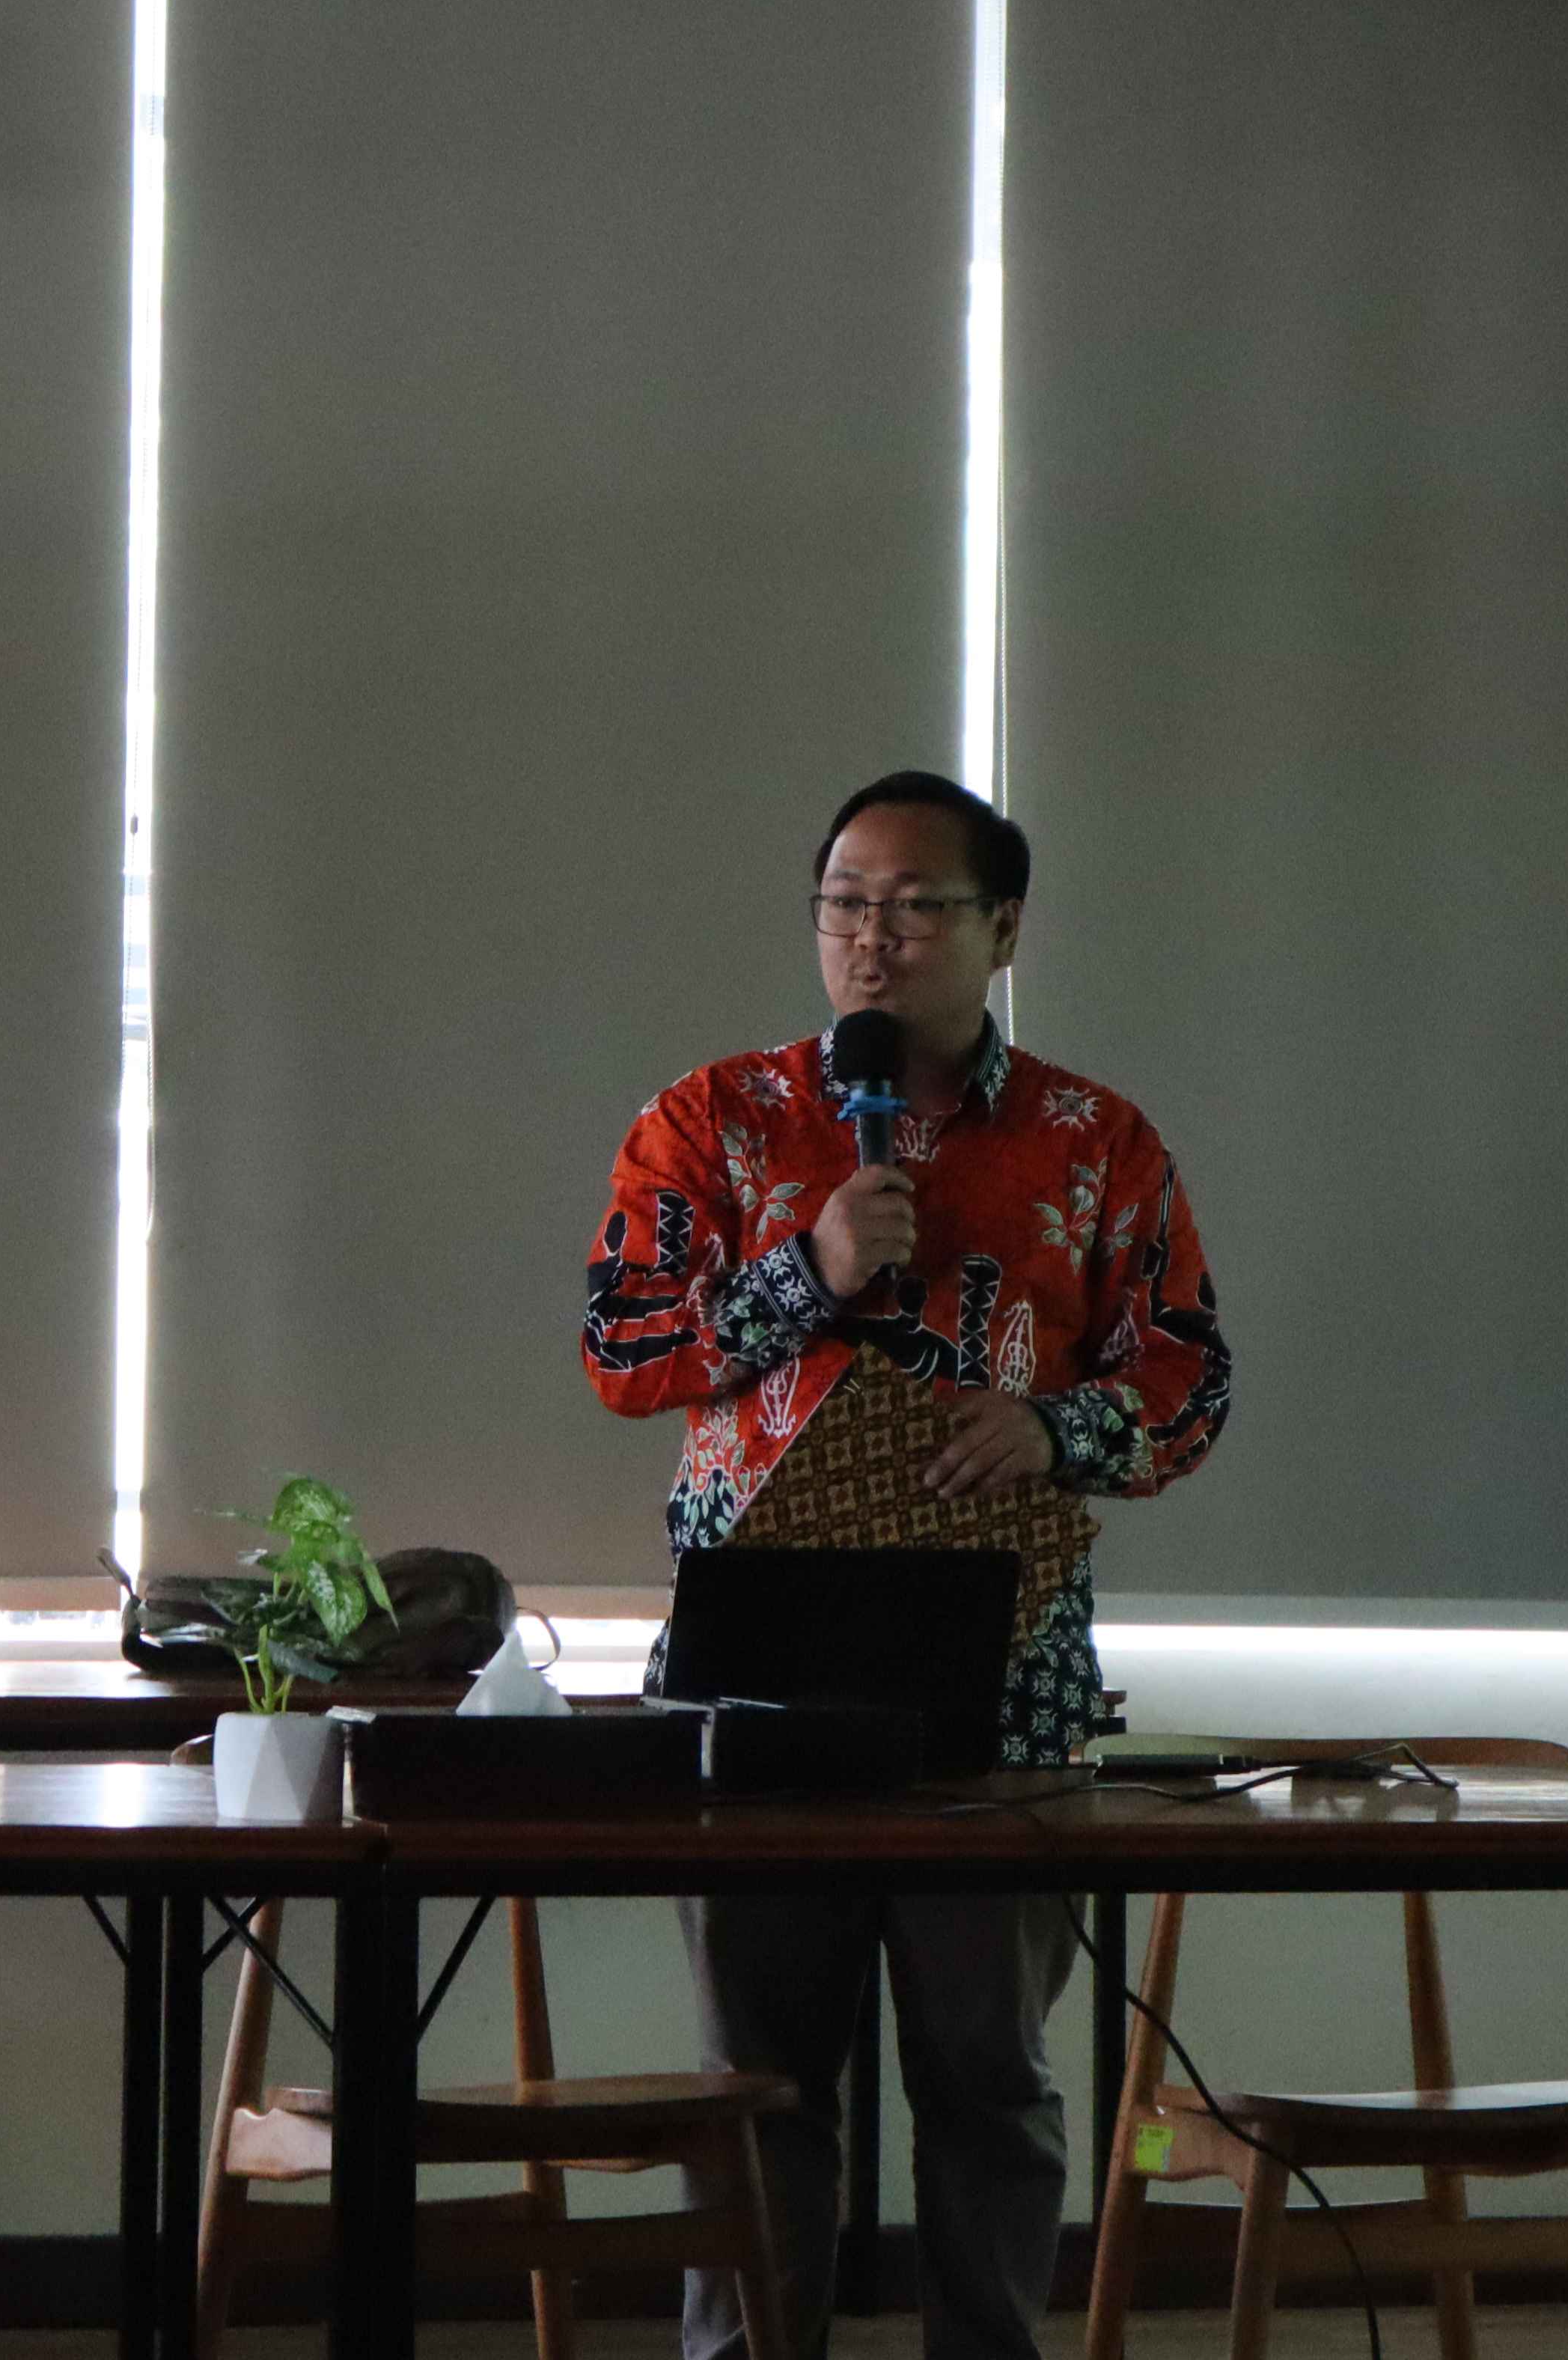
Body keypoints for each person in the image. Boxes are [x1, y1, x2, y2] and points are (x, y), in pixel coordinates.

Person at [581, 772, 1232, 2360]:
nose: (873, 937)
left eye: (917, 905)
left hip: (999, 1668)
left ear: (1003, 929)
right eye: (845, 904)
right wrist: (806, 1268)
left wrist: (1057, 1429)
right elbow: (625, 1349)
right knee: (761, 2081)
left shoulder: (1097, 1142)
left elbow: (1190, 1381)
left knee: (986, 2076)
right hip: (759, 1665)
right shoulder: (713, 1120)